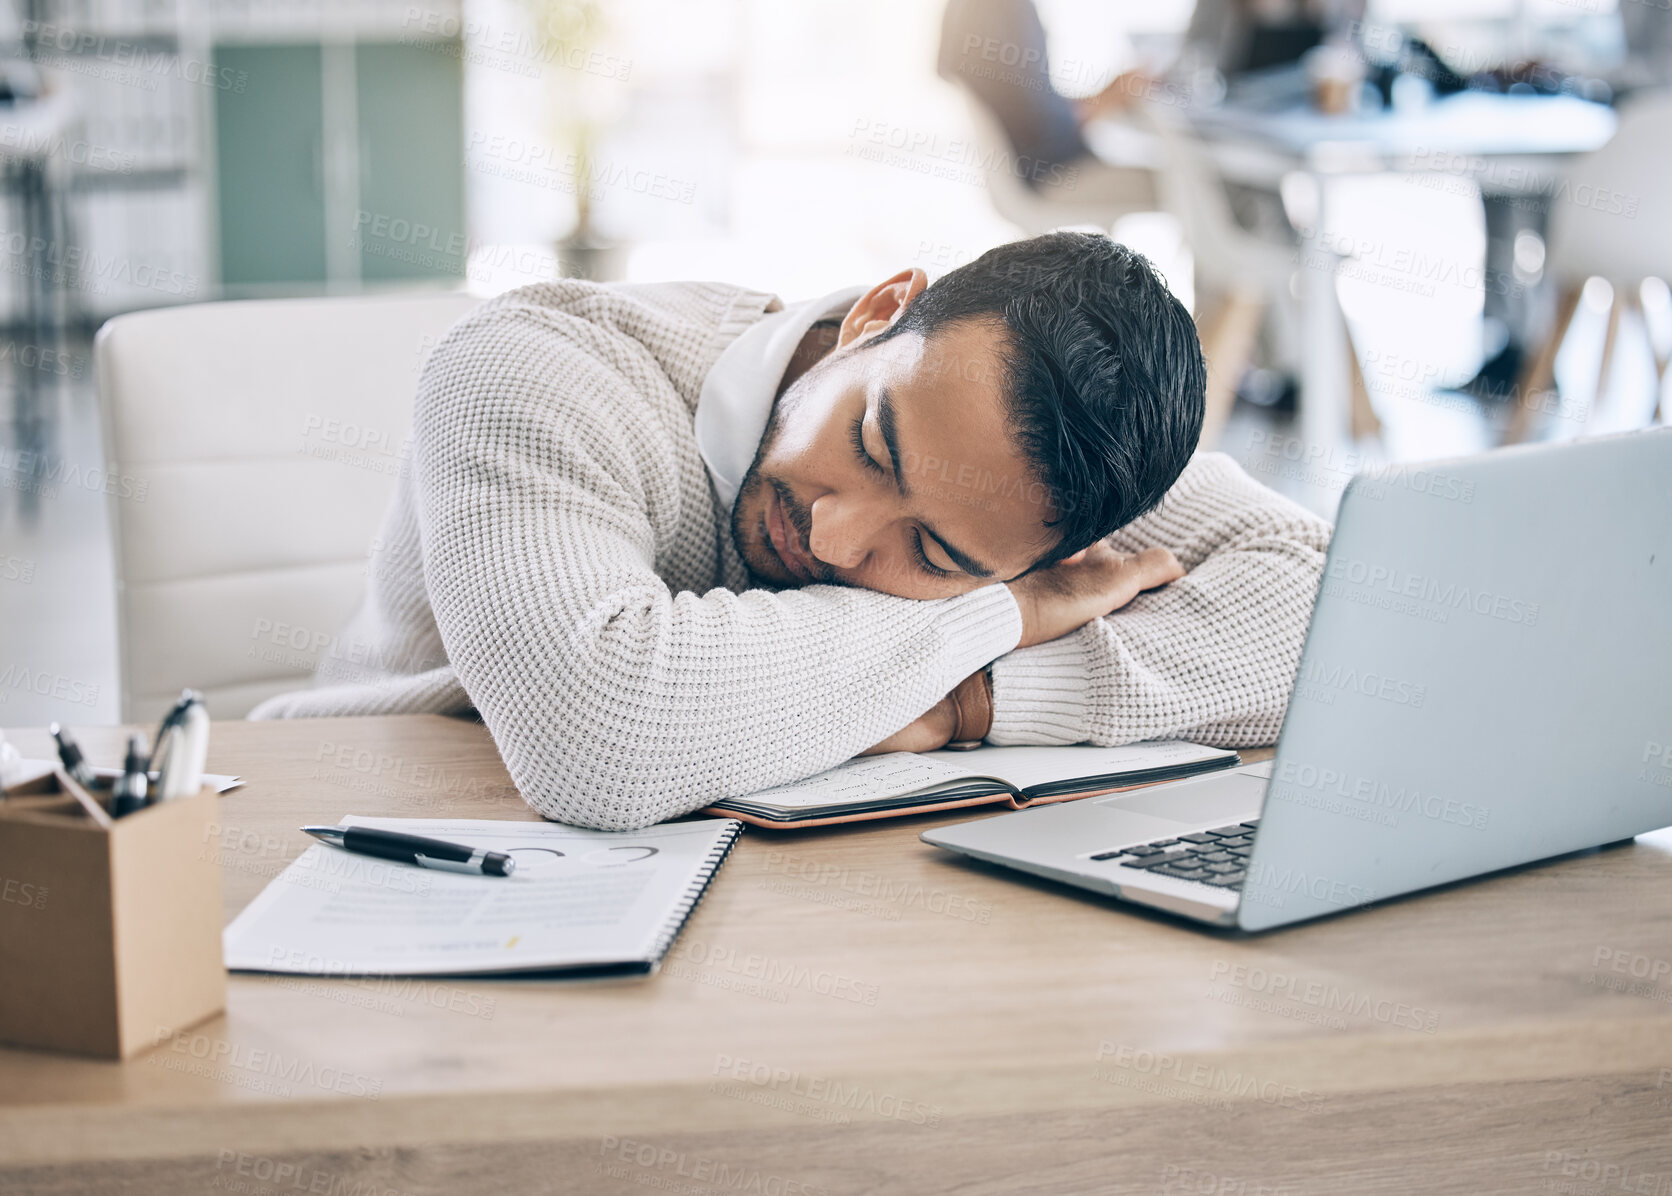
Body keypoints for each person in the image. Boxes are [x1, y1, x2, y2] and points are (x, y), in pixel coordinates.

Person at [251, 232, 1332, 830]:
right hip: (378, 820)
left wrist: (971, 702)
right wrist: (991, 612)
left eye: (938, 555)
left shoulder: (1034, 470)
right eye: (870, 440)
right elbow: (597, 732)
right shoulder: (533, 366)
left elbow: (1331, 601)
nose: (835, 535)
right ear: (875, 313)